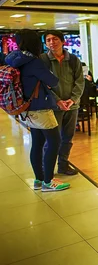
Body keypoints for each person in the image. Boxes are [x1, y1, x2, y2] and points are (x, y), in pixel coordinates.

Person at [6, 30, 70, 191]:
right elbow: (53, 81)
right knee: (54, 142)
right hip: (40, 107)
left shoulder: (16, 59)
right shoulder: (34, 61)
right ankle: (48, 182)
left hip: (26, 108)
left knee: (37, 143)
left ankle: (39, 180)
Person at [42, 30, 84, 176]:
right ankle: (47, 169)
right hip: (52, 107)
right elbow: (42, 85)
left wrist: (72, 99)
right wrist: (58, 101)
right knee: (52, 139)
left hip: (72, 106)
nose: (52, 42)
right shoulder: (43, 60)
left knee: (68, 138)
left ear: (63, 41)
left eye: (55, 39)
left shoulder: (73, 59)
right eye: (48, 40)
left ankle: (63, 166)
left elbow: (80, 81)